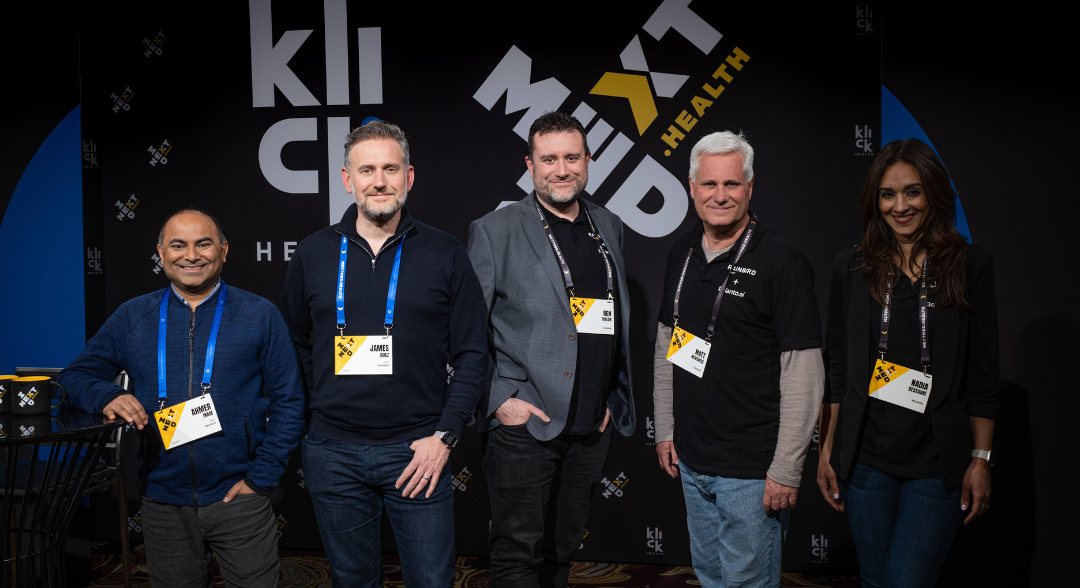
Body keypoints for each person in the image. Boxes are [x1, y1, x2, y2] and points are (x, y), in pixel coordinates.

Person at [280, 120, 487, 587]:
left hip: (418, 450)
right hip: (332, 452)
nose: (379, 181)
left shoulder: (445, 252)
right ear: (347, 179)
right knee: (351, 579)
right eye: (367, 170)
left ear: (408, 177)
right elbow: (293, 344)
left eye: (390, 169)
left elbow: (474, 352)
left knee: (431, 580)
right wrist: (317, 410)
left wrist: (445, 437)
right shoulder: (312, 253)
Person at [59, 208, 305, 588]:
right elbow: (74, 377)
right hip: (163, 502)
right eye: (178, 245)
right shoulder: (134, 315)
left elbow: (290, 401)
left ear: (224, 250)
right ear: (161, 253)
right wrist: (107, 394)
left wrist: (259, 480)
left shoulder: (259, 315)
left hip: (239, 497)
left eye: (203, 244)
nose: (191, 255)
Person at [817, 138, 998, 588]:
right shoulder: (851, 267)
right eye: (888, 194)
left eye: (912, 192)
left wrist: (981, 459)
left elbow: (982, 374)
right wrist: (827, 451)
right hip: (865, 462)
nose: (900, 206)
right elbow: (836, 369)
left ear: (932, 193)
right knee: (874, 580)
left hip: (936, 465)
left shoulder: (969, 266)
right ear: (875, 201)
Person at [467, 111, 635, 587]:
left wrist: (611, 397)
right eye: (549, 159)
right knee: (517, 554)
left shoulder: (609, 225)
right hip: (526, 425)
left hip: (590, 425)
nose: (562, 170)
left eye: (572, 158)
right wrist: (500, 400)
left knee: (562, 551)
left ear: (588, 160)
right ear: (530, 164)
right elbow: (466, 332)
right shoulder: (495, 230)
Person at [652, 131, 824, 588]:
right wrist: (666, 428)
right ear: (692, 187)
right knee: (710, 577)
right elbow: (668, 346)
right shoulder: (681, 252)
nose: (720, 195)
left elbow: (804, 374)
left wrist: (786, 469)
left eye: (731, 184)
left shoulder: (783, 263)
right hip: (692, 458)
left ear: (750, 187)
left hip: (752, 470)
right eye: (709, 184)